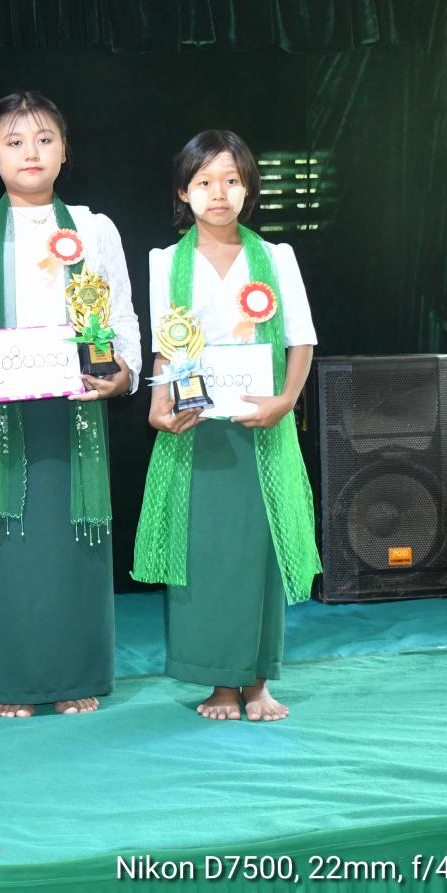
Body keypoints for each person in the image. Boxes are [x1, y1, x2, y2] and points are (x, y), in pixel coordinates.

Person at [0, 91, 140, 718]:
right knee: (6, 540)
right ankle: (10, 682)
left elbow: (122, 314)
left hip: (77, 403)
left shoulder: (95, 228)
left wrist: (124, 373)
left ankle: (76, 675)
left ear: (64, 150)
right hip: (0, 405)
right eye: (15, 142)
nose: (31, 152)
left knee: (74, 539)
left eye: (45, 139)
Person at [133, 130, 320, 722]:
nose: (219, 192)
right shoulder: (166, 262)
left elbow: (301, 340)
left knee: (260, 552)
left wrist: (285, 402)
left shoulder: (277, 257)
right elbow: (167, 345)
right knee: (204, 553)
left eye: (232, 180)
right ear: (183, 192)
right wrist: (158, 404)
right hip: (197, 428)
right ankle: (218, 682)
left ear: (248, 189)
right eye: (205, 181)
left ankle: (258, 682)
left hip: (262, 427)